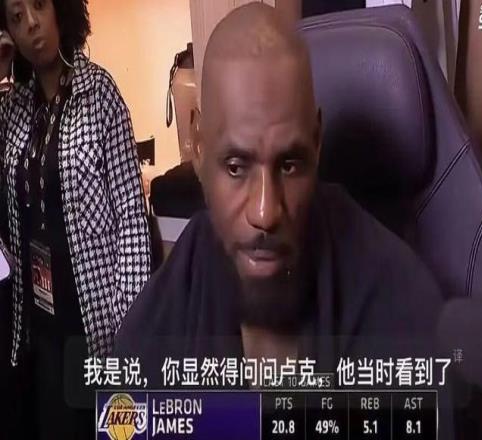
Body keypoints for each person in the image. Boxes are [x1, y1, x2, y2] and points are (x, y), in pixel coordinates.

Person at [115, 3, 453, 436]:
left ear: (316, 143)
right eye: (236, 166)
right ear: (198, 147)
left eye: (290, 165)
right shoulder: (174, 297)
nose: (265, 211)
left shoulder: (404, 315)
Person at [0, 0, 151, 437]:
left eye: (38, 6)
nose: (31, 24)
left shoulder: (100, 93)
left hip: (97, 324)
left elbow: (131, 218)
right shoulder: (13, 109)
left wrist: (129, 327)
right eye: (16, 17)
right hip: (39, 328)